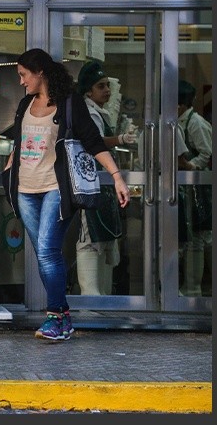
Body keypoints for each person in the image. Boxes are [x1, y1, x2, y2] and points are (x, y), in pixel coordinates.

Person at [2, 49, 130, 341]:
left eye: (23, 75)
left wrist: (116, 176)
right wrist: (9, 173)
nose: (21, 81)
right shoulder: (25, 105)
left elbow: (93, 142)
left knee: (47, 251)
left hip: (55, 189)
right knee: (45, 254)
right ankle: (64, 318)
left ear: (40, 73)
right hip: (25, 190)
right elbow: (19, 144)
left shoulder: (70, 104)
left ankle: (54, 317)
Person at [74, 61, 137, 295]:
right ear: (88, 91)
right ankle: (91, 298)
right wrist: (120, 139)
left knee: (102, 241)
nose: (107, 90)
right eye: (101, 86)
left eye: (108, 85)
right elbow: (95, 142)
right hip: (91, 185)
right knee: (90, 240)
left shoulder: (100, 111)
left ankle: (102, 298)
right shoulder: (89, 112)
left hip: (103, 185)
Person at [176, 80, 212, 296]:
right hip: (186, 187)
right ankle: (190, 288)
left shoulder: (195, 122)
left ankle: (193, 289)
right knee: (192, 238)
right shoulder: (180, 120)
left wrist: (189, 166)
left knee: (197, 238)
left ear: (180, 104)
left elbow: (206, 152)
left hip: (198, 187)